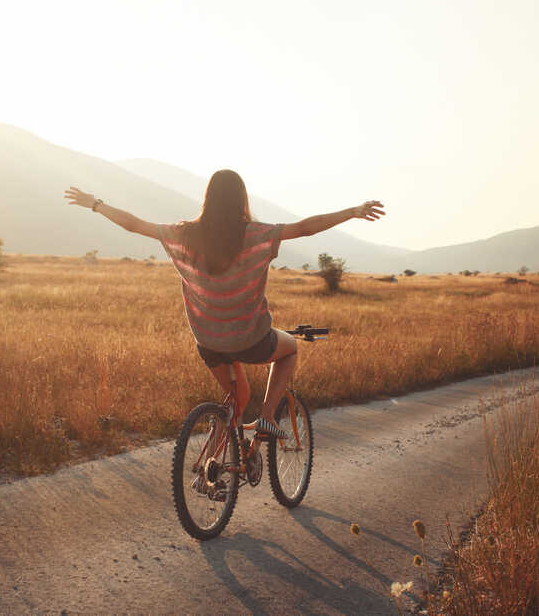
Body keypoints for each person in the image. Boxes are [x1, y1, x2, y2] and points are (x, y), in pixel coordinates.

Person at [64, 169, 384, 437]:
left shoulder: (184, 234)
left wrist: (95, 204)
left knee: (236, 399)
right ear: (242, 200)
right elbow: (305, 228)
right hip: (251, 340)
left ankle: (213, 467)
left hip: (208, 342)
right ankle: (267, 418)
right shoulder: (256, 234)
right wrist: (352, 211)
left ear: (208, 199)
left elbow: (133, 224)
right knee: (290, 350)